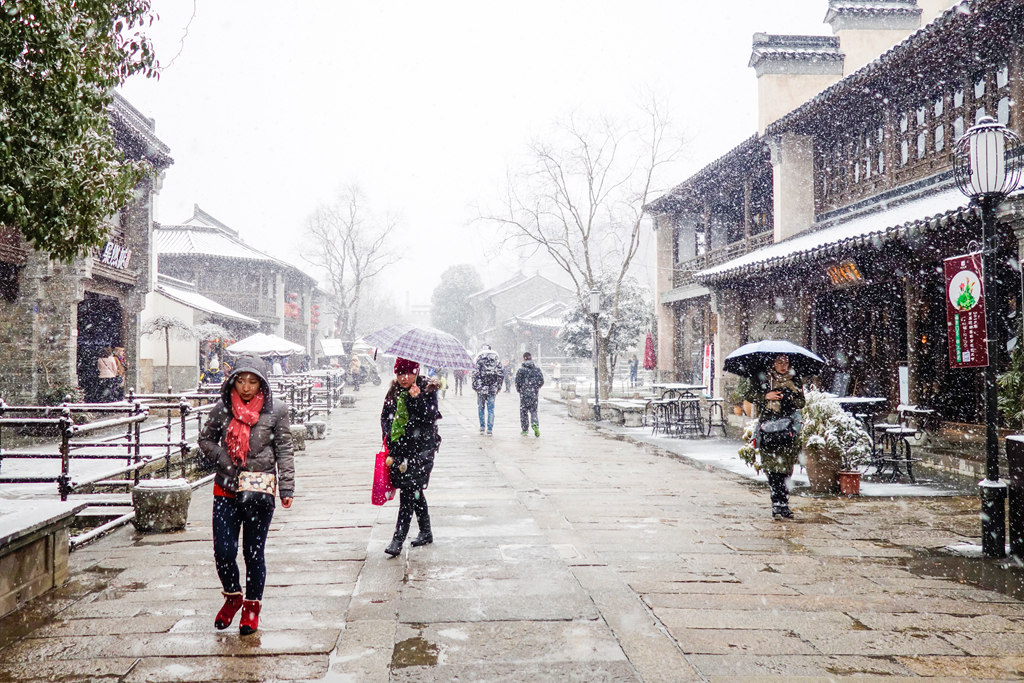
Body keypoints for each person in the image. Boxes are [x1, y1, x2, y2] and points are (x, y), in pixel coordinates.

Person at [198, 354, 294, 635]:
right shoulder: (223, 407)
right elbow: (205, 439)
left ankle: (252, 607)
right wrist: (224, 458)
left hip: (258, 489)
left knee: (253, 553)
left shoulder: (276, 410)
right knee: (224, 552)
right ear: (233, 381)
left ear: (262, 383)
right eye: (241, 380)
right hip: (225, 488)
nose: (246, 387)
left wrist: (287, 487)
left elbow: (284, 451)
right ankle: (232, 596)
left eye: (253, 381)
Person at [381, 358, 441, 556]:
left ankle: (398, 539)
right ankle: (426, 531)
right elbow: (385, 417)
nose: (403, 378)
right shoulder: (394, 391)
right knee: (413, 490)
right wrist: (389, 436)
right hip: (400, 452)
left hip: (421, 451)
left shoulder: (428, 389)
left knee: (408, 492)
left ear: (416, 372)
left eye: (407, 373)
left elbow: (430, 417)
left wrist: (418, 399)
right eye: (399, 374)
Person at [743, 354, 805, 519]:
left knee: (786, 467)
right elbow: (749, 395)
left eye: (786, 362)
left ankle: (784, 503)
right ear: (773, 363)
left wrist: (791, 398)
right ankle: (776, 502)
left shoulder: (795, 379)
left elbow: (801, 402)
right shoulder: (764, 378)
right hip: (769, 426)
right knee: (772, 466)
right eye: (779, 362)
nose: (783, 366)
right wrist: (766, 396)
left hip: (788, 427)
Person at [471, 344, 503, 435]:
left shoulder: (479, 359)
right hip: (492, 388)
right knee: (491, 409)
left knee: (481, 408)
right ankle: (489, 429)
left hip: (481, 388)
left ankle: (482, 427)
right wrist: (499, 386)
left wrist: (475, 386)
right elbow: (500, 374)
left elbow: (475, 374)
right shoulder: (496, 359)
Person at [515, 352, 545, 437]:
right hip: (533, 393)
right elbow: (541, 381)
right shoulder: (537, 369)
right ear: (531, 358)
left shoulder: (521, 370)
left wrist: (520, 390)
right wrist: (536, 388)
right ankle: (534, 423)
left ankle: (525, 429)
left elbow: (517, 382)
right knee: (534, 410)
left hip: (524, 393)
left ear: (523, 359)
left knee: (523, 411)